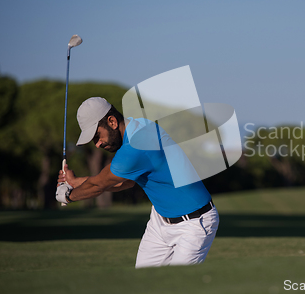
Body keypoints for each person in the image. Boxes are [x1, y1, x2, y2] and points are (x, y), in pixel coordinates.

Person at [56, 97, 219, 268]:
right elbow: (125, 182)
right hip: (160, 221)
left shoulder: (136, 146)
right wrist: (75, 182)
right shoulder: (138, 126)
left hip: (194, 224)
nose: (97, 144)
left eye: (97, 136)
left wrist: (68, 196)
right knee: (143, 283)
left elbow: (99, 185)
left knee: (176, 286)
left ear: (111, 121)